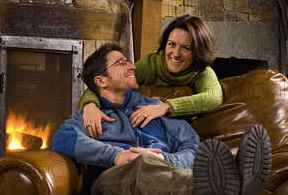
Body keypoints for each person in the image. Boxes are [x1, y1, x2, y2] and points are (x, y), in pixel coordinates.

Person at [51, 42, 271, 195]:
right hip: (112, 182)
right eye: (121, 63)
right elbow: (62, 139)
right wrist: (116, 155)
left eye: (129, 61)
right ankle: (233, 191)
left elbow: (193, 148)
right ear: (101, 81)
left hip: (165, 182)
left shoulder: (153, 109)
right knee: (141, 164)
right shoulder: (88, 116)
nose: (132, 66)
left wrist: (166, 158)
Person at [81, 14, 223, 138]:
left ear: (198, 52)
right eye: (171, 44)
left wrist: (165, 107)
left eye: (186, 48)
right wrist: (89, 106)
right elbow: (105, 83)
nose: (176, 53)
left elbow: (214, 97)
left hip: (180, 130)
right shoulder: (151, 64)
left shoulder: (202, 71)